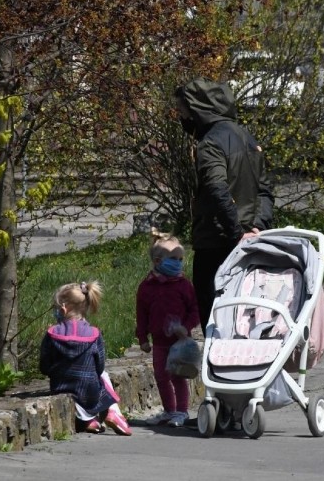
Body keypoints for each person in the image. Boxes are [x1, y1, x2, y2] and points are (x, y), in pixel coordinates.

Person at [174, 78, 274, 330]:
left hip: (218, 244)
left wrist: (237, 233)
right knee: (247, 318)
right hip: (251, 240)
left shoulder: (210, 144)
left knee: (217, 321)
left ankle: (220, 369)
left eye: (183, 111)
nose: (181, 117)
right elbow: (265, 189)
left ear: (198, 109)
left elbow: (217, 190)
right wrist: (257, 228)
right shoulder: (246, 137)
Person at [39, 281, 132, 435]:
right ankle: (113, 411)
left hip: (60, 387)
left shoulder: (52, 333)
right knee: (101, 376)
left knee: (74, 385)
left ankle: (89, 421)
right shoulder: (94, 333)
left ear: (64, 308)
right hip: (89, 393)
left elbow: (44, 365)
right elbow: (100, 365)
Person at [136, 231, 199, 427]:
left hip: (179, 342)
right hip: (159, 342)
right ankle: (169, 410)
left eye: (181, 259)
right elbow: (142, 313)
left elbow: (195, 309)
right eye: (174, 259)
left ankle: (181, 412)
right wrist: (142, 337)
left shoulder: (184, 285)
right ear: (157, 261)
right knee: (161, 377)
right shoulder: (147, 287)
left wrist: (186, 326)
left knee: (178, 376)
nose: (179, 263)